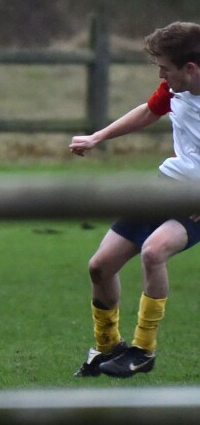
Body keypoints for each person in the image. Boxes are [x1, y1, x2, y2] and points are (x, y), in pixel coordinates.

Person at [70, 21, 200, 378]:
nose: (160, 73)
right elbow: (147, 111)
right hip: (166, 184)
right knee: (99, 266)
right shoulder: (175, 89)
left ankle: (143, 351)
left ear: (190, 68)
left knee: (154, 252)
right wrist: (98, 137)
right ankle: (108, 348)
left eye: (165, 67)